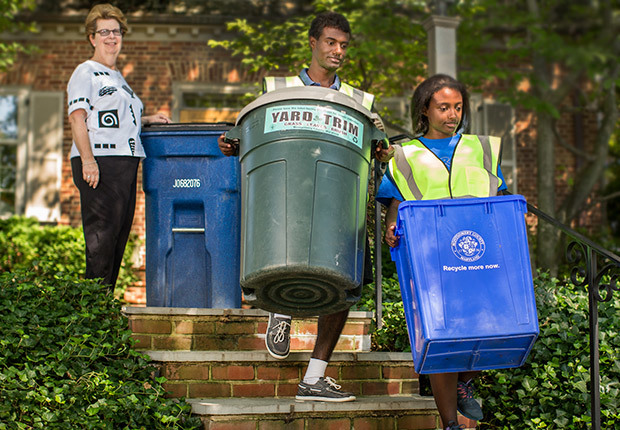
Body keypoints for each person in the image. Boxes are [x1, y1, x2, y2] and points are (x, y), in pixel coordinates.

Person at [219, 11, 392, 402]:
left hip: (340, 213)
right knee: (285, 257)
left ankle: (314, 377)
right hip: (284, 205)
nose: (338, 51)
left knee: (346, 284)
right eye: (331, 42)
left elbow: (377, 147)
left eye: (344, 45)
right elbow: (247, 132)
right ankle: (279, 310)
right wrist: (230, 141)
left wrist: (383, 149)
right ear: (313, 42)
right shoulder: (275, 87)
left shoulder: (360, 101)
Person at [377, 74, 508, 430]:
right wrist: (391, 222)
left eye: (458, 107)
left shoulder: (482, 147)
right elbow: (395, 198)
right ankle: (449, 423)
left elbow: (500, 196)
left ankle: (467, 379)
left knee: (494, 328)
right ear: (425, 109)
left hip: (479, 255)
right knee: (442, 341)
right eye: (444, 107)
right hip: (430, 259)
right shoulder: (404, 155)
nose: (453, 115)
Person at [67, 3, 171, 289]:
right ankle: (93, 312)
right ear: (92, 37)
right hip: (101, 161)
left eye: (116, 31)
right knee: (101, 239)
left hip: (125, 161)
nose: (111, 37)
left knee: (118, 236)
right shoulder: (85, 72)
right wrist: (89, 161)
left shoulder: (118, 77)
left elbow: (120, 118)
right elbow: (78, 119)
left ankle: (104, 308)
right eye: (104, 32)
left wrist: (148, 118)